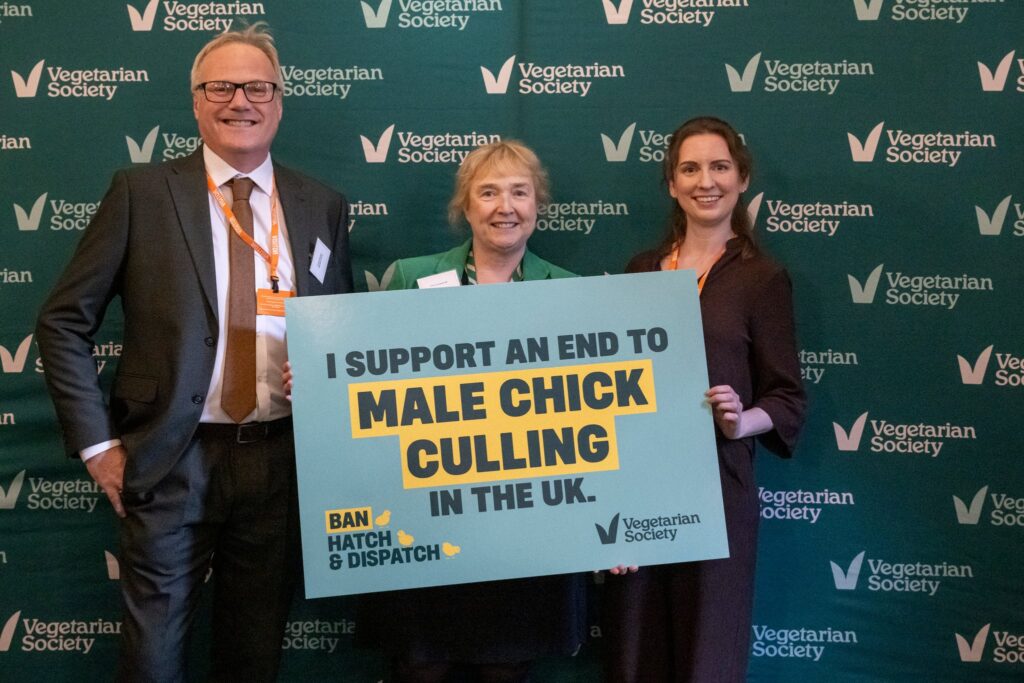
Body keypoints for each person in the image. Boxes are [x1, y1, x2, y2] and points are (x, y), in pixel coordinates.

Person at [35, 24, 353, 682]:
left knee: (252, 654)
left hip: (279, 463)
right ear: (196, 101)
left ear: (280, 100)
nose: (241, 100)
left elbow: (339, 331)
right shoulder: (142, 192)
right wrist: (98, 446)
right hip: (169, 459)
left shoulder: (321, 205)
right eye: (222, 86)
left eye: (258, 86)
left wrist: (325, 375)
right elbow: (64, 320)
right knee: (152, 661)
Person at [362, 140, 584, 683]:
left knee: (503, 672)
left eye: (519, 192)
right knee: (420, 668)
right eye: (488, 192)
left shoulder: (574, 294)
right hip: (426, 520)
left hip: (523, 527)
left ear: (538, 206)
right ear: (465, 206)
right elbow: (364, 388)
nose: (504, 206)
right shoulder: (412, 279)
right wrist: (316, 382)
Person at [603, 116, 806, 682]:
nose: (705, 181)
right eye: (689, 168)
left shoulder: (763, 278)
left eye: (719, 167)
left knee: (705, 661)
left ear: (742, 179)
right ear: (671, 183)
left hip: (720, 490)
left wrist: (742, 421)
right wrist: (605, 508)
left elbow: (787, 398)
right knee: (632, 657)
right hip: (639, 490)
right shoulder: (639, 270)